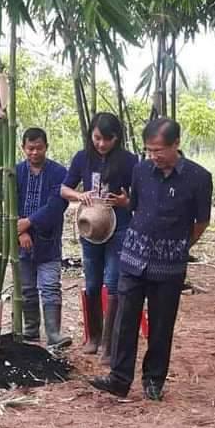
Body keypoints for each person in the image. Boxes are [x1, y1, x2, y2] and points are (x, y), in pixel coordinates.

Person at [89, 118, 211, 401]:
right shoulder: (141, 170)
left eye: (159, 150)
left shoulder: (198, 177)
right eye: (149, 150)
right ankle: (119, 378)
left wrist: (180, 246)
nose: (154, 156)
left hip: (169, 264)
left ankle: (154, 380)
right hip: (133, 258)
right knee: (125, 319)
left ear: (176, 144)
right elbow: (136, 206)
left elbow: (201, 221)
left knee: (161, 323)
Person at [61, 112, 139, 364]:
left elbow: (140, 197)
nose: (102, 144)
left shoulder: (129, 161)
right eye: (97, 138)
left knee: (113, 282)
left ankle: (109, 344)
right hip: (90, 227)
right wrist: (78, 195)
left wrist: (127, 201)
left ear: (117, 137)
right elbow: (64, 188)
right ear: (90, 135)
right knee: (93, 283)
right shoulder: (82, 157)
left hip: (120, 226)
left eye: (108, 139)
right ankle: (93, 336)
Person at [15, 128, 72, 348]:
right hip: (20, 240)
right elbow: (8, 204)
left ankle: (53, 333)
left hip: (49, 239)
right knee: (26, 288)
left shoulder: (59, 173)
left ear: (46, 147)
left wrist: (29, 222)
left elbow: (56, 205)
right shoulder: (15, 172)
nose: (34, 152)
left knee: (50, 286)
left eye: (39, 148)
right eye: (30, 148)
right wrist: (20, 231)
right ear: (23, 148)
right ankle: (30, 331)